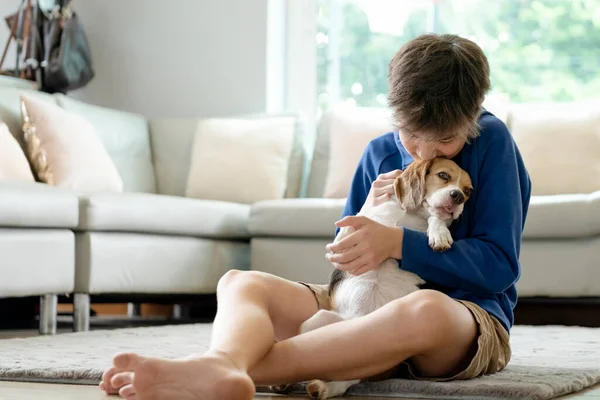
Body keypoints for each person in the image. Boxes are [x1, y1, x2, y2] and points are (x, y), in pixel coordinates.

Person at [99, 33, 531, 400]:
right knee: (240, 281)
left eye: (447, 141)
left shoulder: (493, 143)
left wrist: (399, 243)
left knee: (426, 309)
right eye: (411, 135)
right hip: (362, 302)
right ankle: (222, 364)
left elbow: (499, 268)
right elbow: (343, 263)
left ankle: (245, 372)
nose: (423, 152)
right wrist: (371, 219)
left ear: (472, 120)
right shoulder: (379, 152)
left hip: (462, 318)